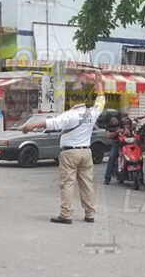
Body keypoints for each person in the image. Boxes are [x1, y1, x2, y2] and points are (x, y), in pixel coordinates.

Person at [22, 70, 105, 224]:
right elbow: (101, 100)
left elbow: (50, 123)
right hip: (86, 152)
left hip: (70, 153)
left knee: (67, 184)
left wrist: (31, 126)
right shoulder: (92, 113)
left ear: (72, 101)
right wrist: (98, 83)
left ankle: (66, 214)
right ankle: (90, 214)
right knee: (87, 184)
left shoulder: (70, 115)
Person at [103, 115, 122, 185]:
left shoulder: (121, 122)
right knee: (112, 157)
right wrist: (117, 132)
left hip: (126, 143)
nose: (114, 122)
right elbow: (108, 135)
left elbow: (129, 128)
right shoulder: (109, 127)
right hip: (117, 143)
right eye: (112, 122)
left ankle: (139, 178)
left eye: (114, 120)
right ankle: (107, 177)